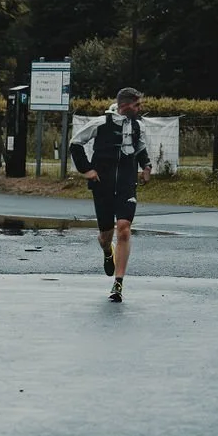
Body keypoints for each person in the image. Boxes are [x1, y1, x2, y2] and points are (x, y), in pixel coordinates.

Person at [70, 86, 152, 303]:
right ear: (125, 105)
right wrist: (87, 170)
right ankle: (108, 251)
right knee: (106, 235)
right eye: (137, 105)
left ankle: (118, 283)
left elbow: (140, 149)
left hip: (126, 184)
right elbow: (75, 144)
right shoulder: (100, 123)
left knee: (124, 229)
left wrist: (146, 167)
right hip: (102, 184)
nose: (140, 108)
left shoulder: (138, 126)